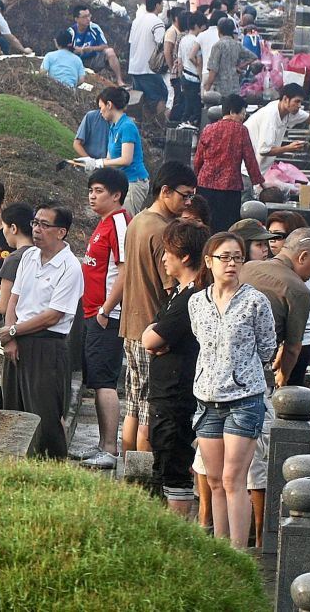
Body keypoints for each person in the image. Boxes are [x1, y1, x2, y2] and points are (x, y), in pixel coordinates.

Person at [190, 231, 275, 550]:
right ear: (208, 261)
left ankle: (238, 554)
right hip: (207, 399)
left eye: (237, 257)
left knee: (233, 480)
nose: (231, 263)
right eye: (224, 257)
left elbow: (267, 348)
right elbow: (201, 341)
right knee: (213, 481)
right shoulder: (197, 302)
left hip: (245, 399)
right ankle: (220, 551)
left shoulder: (256, 301)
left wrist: (240, 369)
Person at [118, 161, 198, 454]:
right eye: (184, 195)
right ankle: (145, 474)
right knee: (149, 410)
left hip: (130, 325)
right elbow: (172, 288)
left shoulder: (137, 220)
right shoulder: (166, 233)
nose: (188, 202)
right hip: (154, 331)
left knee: (133, 404)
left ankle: (128, 468)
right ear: (165, 191)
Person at [0, 203, 85, 459]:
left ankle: (53, 467)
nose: (36, 229)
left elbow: (53, 316)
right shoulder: (28, 257)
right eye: (35, 223)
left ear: (61, 232)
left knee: (44, 415)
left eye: (44, 225)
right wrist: (11, 337)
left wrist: (12, 330)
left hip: (47, 346)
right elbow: (14, 298)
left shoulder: (70, 267)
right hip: (18, 339)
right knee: (13, 410)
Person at [142, 219, 209, 515]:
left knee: (175, 468)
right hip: (163, 394)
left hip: (176, 396)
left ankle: (177, 533)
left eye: (168, 251)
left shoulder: (191, 298)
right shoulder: (177, 294)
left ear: (184, 256)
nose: (163, 258)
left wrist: (154, 335)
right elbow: (154, 335)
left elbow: (151, 338)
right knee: (162, 464)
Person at [79, 168, 132, 469]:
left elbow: (124, 270)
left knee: (105, 382)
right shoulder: (103, 223)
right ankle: (102, 443)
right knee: (98, 381)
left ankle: (110, 449)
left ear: (116, 195)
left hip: (107, 316)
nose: (92, 196)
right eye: (91, 190)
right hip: (94, 313)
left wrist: (104, 309)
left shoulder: (120, 222)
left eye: (99, 190)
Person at [241, 227, 310, 388]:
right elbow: (293, 347)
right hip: (253, 366)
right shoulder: (299, 290)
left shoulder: (247, 267)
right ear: (303, 257)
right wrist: (282, 380)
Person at [195, 94, 264, 233]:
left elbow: (198, 159)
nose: (243, 117)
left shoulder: (208, 129)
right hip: (229, 187)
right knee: (227, 227)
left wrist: (195, 179)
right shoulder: (241, 130)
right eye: (242, 114)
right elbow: (249, 159)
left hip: (205, 185)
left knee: (205, 224)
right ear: (232, 112)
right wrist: (258, 181)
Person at [79, 87, 149, 214]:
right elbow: (109, 159)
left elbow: (126, 160)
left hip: (134, 182)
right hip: (121, 183)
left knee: (125, 222)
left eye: (101, 107)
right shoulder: (113, 126)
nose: (100, 112)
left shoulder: (127, 126)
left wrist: (100, 163)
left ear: (109, 105)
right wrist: (92, 162)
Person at [244, 84, 310, 176]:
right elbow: (264, 150)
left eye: (300, 102)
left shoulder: (288, 112)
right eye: (296, 101)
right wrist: (288, 148)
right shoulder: (271, 116)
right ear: (285, 99)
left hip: (255, 170)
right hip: (245, 170)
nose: (299, 106)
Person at [0, 202, 34, 321]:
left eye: (4, 227)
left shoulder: (14, 259)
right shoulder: (39, 253)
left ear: (13, 228)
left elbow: (3, 307)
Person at [128, 0, 169, 122]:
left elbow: (130, 41)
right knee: (161, 96)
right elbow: (161, 43)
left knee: (140, 99)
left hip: (135, 66)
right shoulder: (157, 22)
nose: (163, 6)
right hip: (149, 68)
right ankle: (161, 125)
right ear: (157, 5)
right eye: (162, 4)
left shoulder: (136, 21)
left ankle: (143, 125)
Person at [68, 5, 123, 86]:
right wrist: (77, 50)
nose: (88, 19)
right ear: (76, 19)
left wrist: (91, 48)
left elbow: (104, 46)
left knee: (110, 51)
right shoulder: (71, 32)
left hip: (94, 59)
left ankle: (120, 81)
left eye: (89, 15)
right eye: (84, 17)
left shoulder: (94, 27)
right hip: (78, 62)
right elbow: (65, 49)